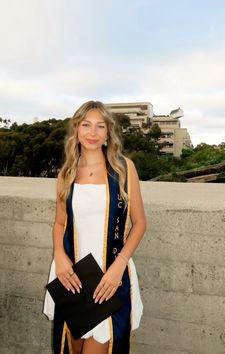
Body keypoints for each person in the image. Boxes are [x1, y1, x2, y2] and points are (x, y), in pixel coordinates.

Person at [43, 100, 146, 354]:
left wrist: (119, 266)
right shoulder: (66, 173)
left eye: (100, 126)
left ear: (108, 132)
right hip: (73, 276)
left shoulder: (123, 168)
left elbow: (140, 223)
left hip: (110, 277)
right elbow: (59, 223)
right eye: (86, 125)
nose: (92, 132)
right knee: (72, 348)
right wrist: (59, 255)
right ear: (76, 129)